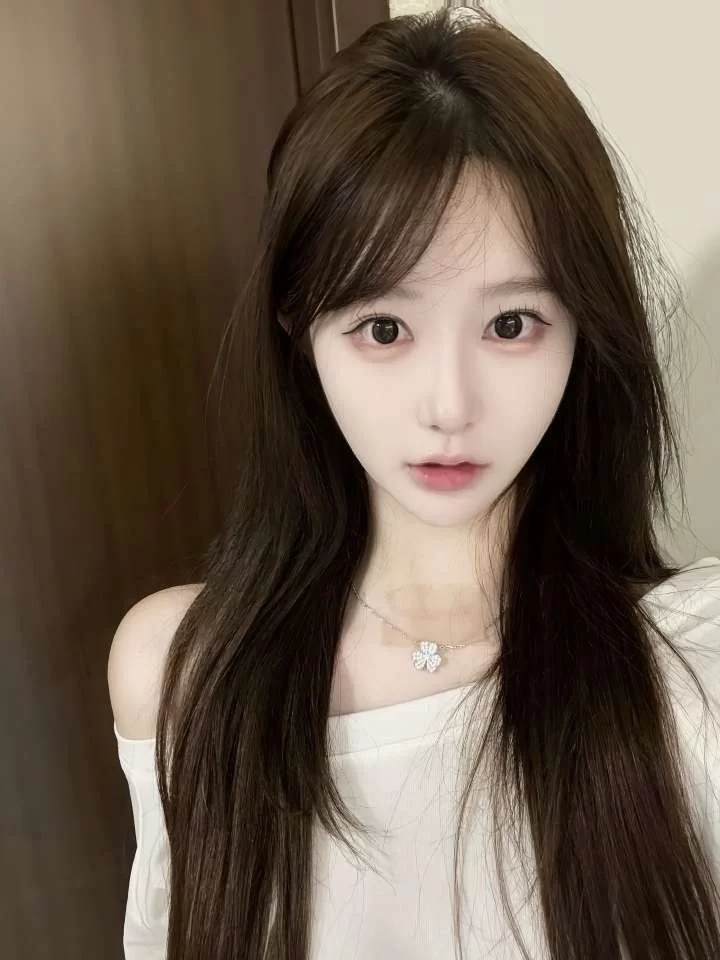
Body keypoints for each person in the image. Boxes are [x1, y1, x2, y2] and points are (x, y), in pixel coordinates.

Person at [107, 6, 720, 959]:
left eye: (511, 324)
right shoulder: (183, 672)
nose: (449, 406)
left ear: (583, 331)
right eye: (384, 328)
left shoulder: (694, 664)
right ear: (299, 334)